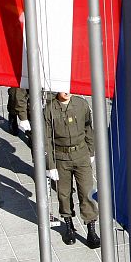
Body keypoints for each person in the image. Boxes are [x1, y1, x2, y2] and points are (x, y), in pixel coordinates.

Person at [45, 92, 100, 248]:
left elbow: (88, 128)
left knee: (87, 191)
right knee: (64, 193)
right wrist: (51, 165)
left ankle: (91, 229)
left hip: (81, 155)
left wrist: (91, 151)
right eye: (62, 89)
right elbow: (46, 139)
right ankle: (68, 225)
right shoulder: (49, 109)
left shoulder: (81, 104)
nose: (66, 91)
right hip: (61, 157)